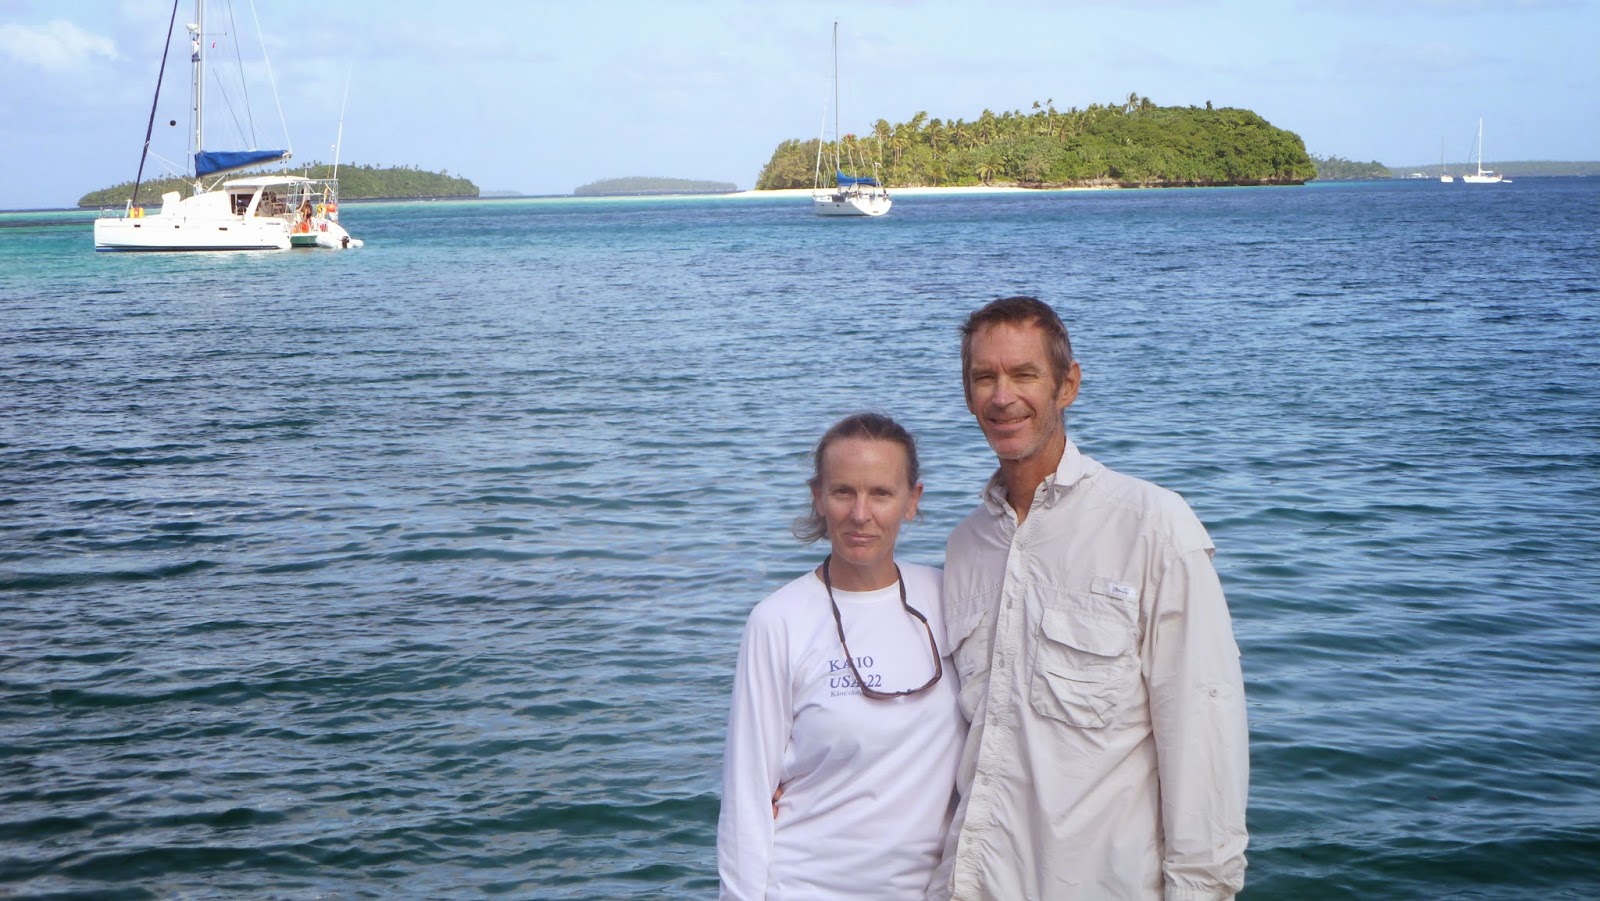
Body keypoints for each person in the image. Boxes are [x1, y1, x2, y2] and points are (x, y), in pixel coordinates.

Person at [929, 296, 1249, 900]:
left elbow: (1204, 730)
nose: (1002, 397)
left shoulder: (1152, 526)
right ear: (967, 393)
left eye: (1025, 374)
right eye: (984, 377)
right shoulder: (965, 546)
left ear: (1067, 385)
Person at [718, 413, 964, 900]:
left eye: (881, 493)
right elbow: (747, 797)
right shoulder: (778, 621)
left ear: (912, 500)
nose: (860, 513)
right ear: (818, 497)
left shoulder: (951, 600)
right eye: (843, 492)